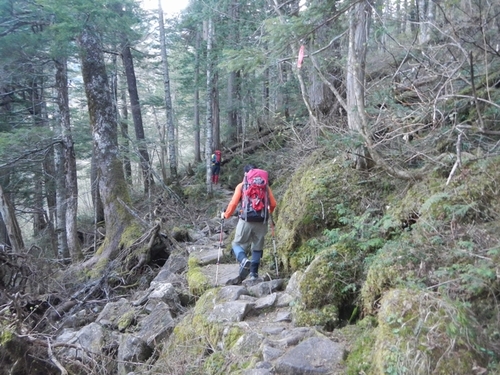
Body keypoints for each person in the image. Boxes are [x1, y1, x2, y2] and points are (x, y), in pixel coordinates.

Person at [221, 164, 277, 283]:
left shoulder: (242, 186)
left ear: (246, 174)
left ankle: (243, 260)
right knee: (257, 247)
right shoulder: (265, 186)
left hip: (246, 221)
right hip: (262, 221)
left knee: (236, 243)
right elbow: (273, 204)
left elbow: (233, 204)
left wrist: (226, 215)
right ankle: (253, 274)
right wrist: (267, 213)